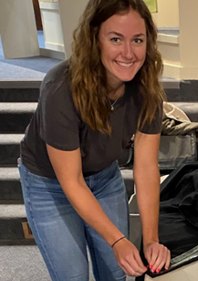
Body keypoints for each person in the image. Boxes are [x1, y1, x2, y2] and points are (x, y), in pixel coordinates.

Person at [18, 0, 170, 280]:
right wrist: (117, 240)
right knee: (73, 275)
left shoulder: (147, 90)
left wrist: (150, 239)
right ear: (94, 39)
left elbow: (147, 168)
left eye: (137, 40)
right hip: (49, 185)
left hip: (103, 177)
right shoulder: (60, 87)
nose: (128, 52)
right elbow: (71, 180)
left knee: (116, 272)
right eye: (115, 39)